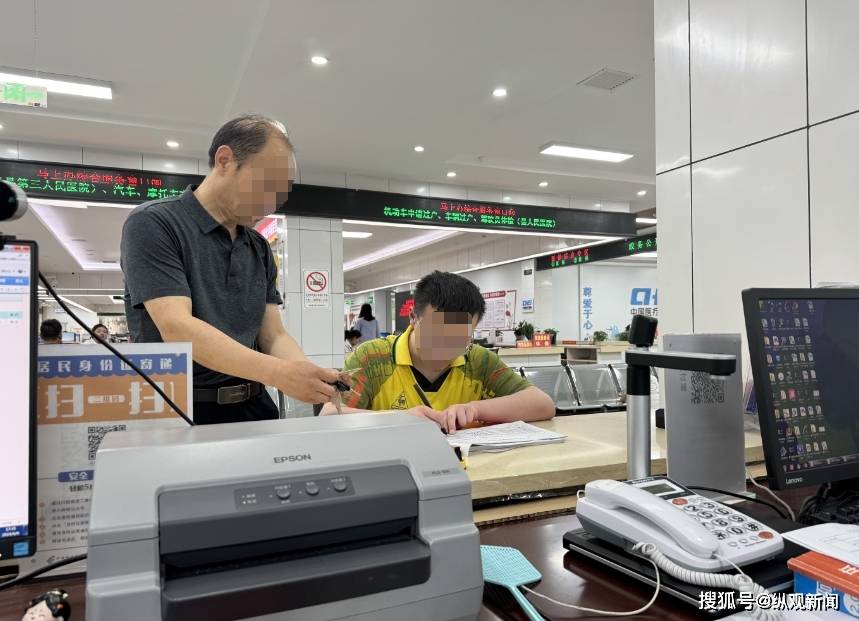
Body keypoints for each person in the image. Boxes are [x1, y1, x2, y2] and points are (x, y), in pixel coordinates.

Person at [121, 114, 343, 425]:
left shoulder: (258, 246)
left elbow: (273, 334)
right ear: (224, 160)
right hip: (181, 410)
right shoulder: (155, 223)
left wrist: (310, 376)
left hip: (255, 409)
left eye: (280, 193)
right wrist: (280, 373)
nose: (272, 203)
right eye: (267, 186)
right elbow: (177, 328)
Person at [322, 271, 555, 432]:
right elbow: (329, 416)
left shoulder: (478, 360)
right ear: (413, 318)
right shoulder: (373, 357)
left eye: (461, 336)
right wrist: (398, 419)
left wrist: (474, 409)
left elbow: (542, 404)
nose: (447, 347)